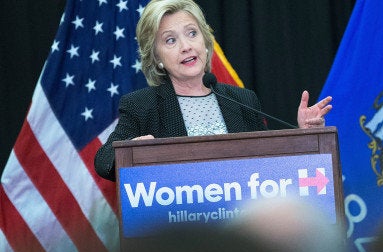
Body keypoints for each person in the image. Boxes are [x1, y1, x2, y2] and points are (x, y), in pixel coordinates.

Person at [94, 0, 332, 181]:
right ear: (157, 57)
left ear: (205, 43)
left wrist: (304, 135)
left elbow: (268, 163)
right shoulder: (142, 105)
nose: (186, 46)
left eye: (192, 33)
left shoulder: (241, 99)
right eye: (170, 40)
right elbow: (103, 161)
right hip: (179, 231)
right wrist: (133, 152)